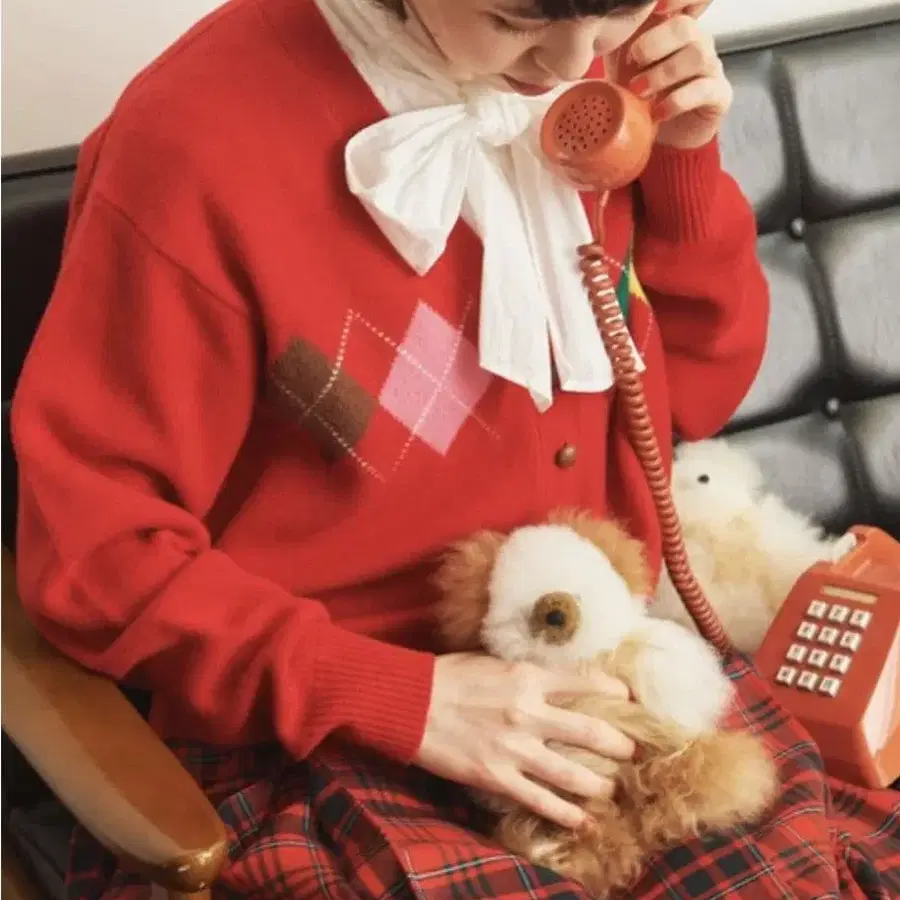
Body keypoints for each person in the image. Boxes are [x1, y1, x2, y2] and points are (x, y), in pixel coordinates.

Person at [11, 0, 899, 896]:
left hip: (597, 664)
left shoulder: (601, 79)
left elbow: (698, 395)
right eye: (514, 21)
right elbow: (95, 557)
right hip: (311, 728)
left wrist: (680, 163)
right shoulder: (192, 142)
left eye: (618, 11)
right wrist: (403, 699)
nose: (570, 66)